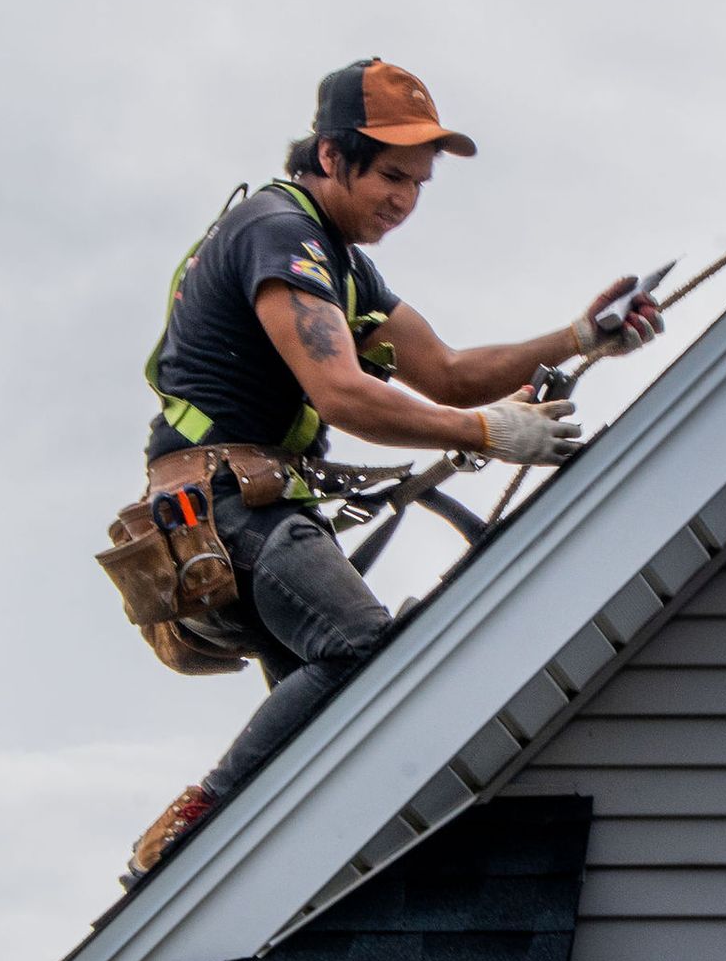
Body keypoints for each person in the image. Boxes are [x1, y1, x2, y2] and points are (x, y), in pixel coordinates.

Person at [125, 56, 664, 876]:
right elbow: (343, 395)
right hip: (231, 506)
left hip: (248, 504)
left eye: (417, 183)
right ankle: (194, 828)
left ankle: (270, 869)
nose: (403, 200)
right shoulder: (283, 234)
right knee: (360, 651)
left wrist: (582, 338)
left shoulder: (339, 259)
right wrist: (486, 433)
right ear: (331, 156)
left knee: (328, 729)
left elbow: (445, 373)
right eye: (388, 175)